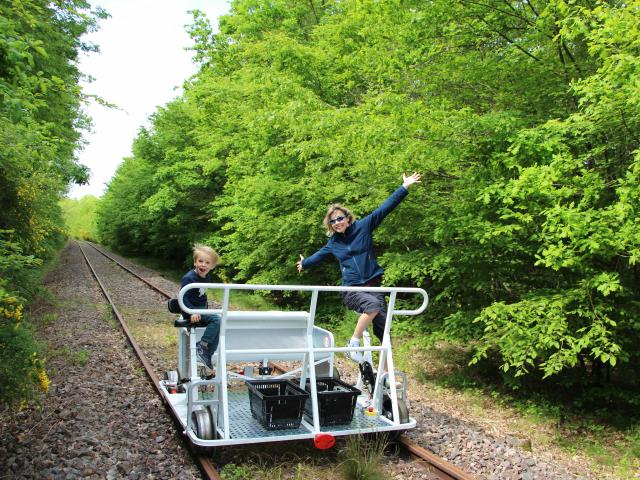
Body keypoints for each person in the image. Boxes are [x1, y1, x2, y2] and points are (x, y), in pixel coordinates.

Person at [296, 172, 422, 363]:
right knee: (372, 307)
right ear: (330, 225)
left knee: (384, 331)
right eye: (333, 221)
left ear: (347, 218)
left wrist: (404, 187)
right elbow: (318, 257)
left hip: (373, 286)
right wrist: (304, 263)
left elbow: (385, 208)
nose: (337, 223)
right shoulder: (333, 243)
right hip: (352, 289)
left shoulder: (363, 227)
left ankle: (385, 376)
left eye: (339, 219)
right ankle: (352, 342)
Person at [181, 244, 221, 370]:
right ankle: (202, 345)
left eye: (207, 262)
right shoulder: (189, 278)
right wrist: (191, 312)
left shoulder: (207, 277)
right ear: (195, 262)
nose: (203, 265)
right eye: (200, 261)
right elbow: (184, 297)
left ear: (212, 266)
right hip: (190, 310)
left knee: (219, 321)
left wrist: (205, 309)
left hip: (200, 310)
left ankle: (208, 353)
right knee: (216, 319)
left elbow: (202, 296)